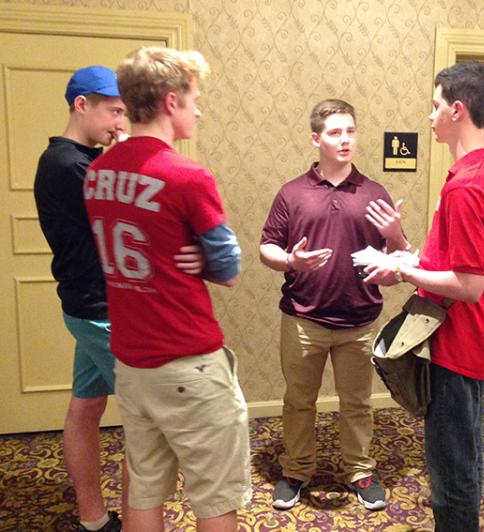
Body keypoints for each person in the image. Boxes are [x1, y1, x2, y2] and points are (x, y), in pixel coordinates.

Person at [83, 47, 251, 532]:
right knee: (214, 497)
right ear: (171, 101)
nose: (198, 110)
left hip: (132, 362)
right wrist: (203, 258)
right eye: (195, 99)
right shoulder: (186, 174)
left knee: (144, 485)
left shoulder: (98, 174)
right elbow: (229, 267)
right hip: (187, 363)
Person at [34, 66, 206, 532]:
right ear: (81, 105)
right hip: (104, 312)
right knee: (151, 428)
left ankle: (93, 517)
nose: (121, 124)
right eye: (113, 112)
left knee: (86, 407)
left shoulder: (80, 161)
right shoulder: (72, 166)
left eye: (125, 114)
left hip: (88, 305)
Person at [363, 61, 484, 531]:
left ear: (457, 109)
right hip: (469, 338)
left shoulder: (467, 188)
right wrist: (403, 255)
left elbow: (470, 285)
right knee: (460, 457)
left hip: (456, 343)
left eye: (434, 106)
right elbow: (451, 265)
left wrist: (404, 270)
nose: (429, 117)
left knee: (452, 471)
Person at [260, 99, 407, 512]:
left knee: (358, 403)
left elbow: (400, 258)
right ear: (316, 139)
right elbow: (265, 247)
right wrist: (290, 260)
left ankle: (359, 471)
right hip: (303, 317)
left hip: (359, 320)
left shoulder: (375, 193)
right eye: (335, 132)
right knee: (299, 401)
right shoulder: (292, 193)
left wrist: (395, 238)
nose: (344, 140)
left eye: (350, 131)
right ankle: (296, 470)